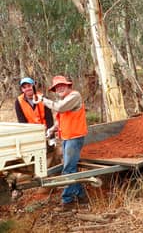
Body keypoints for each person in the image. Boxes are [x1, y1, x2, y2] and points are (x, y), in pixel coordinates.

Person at [33, 75, 88, 210]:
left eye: (62, 85)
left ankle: (67, 201)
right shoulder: (65, 99)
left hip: (74, 138)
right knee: (71, 168)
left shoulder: (74, 96)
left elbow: (60, 108)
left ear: (69, 86)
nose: (59, 88)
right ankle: (81, 196)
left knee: (68, 168)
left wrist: (42, 100)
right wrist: (52, 129)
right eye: (57, 87)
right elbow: (61, 119)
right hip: (66, 137)